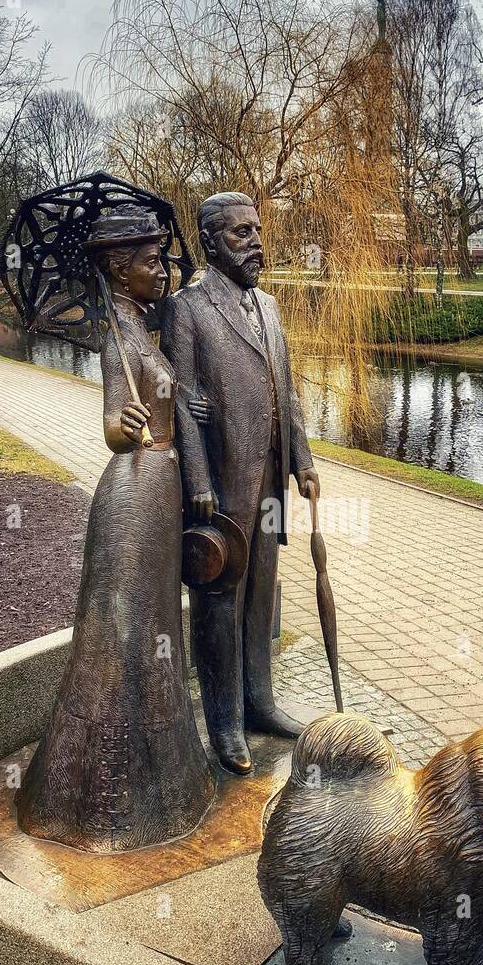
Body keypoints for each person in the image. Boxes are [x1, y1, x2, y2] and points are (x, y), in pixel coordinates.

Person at [16, 207, 215, 850]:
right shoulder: (117, 339)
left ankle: (163, 774)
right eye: (150, 261)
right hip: (134, 499)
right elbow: (110, 427)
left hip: (159, 493)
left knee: (154, 628)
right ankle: (102, 794)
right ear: (119, 269)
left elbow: (166, 397)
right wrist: (122, 424)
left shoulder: (143, 332)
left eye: (161, 258)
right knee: (123, 633)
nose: (161, 270)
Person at [161, 192, 319, 774]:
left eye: (257, 230)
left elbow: (287, 391)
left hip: (272, 480)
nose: (256, 243)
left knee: (260, 597)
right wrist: (197, 475)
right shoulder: (188, 308)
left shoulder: (270, 307)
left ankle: (260, 703)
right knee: (219, 601)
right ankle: (224, 722)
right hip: (222, 482)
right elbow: (179, 396)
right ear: (209, 242)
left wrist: (302, 460)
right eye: (240, 234)